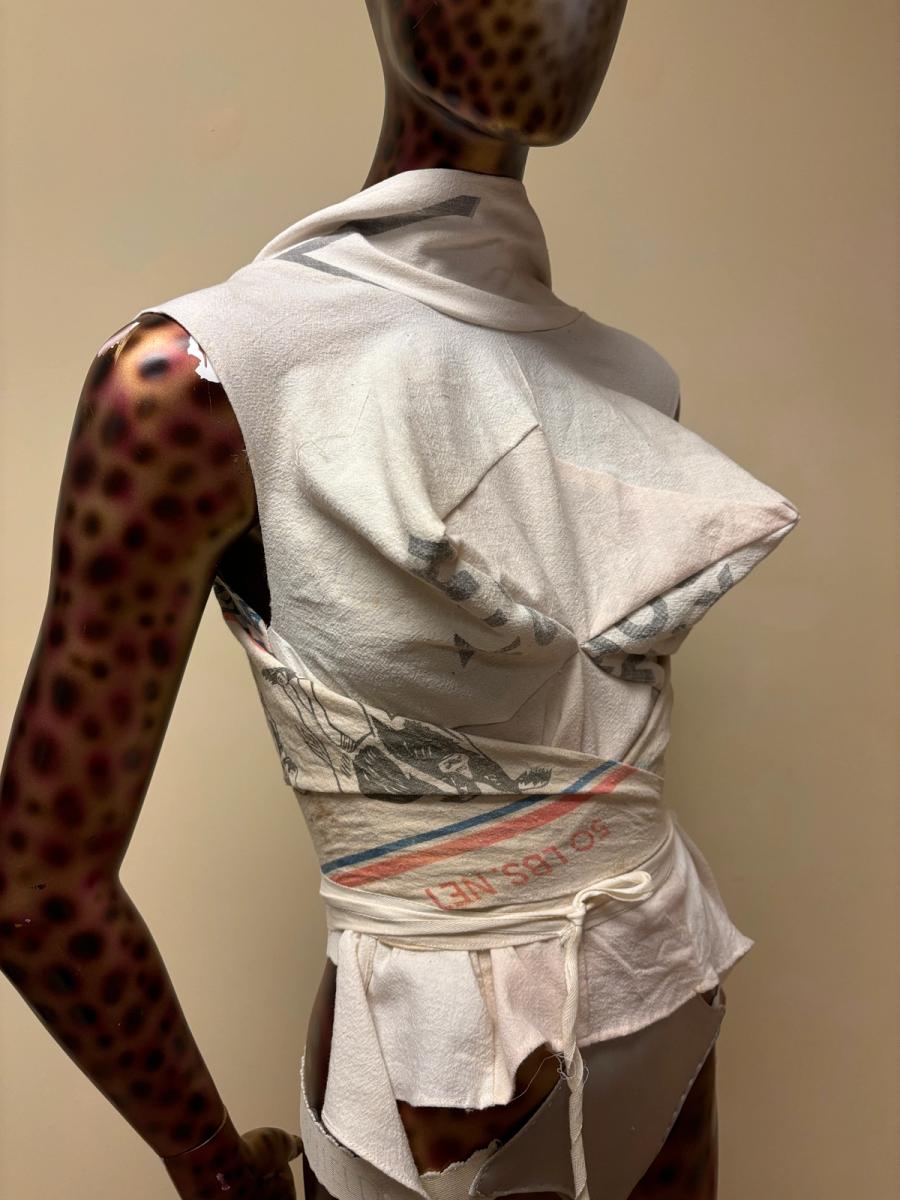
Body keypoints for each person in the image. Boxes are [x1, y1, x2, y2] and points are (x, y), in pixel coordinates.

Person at [0, 4, 800, 1199]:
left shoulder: (634, 384)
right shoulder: (199, 384)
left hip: (667, 1000)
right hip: (424, 1095)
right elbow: (35, 888)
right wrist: (211, 1167)